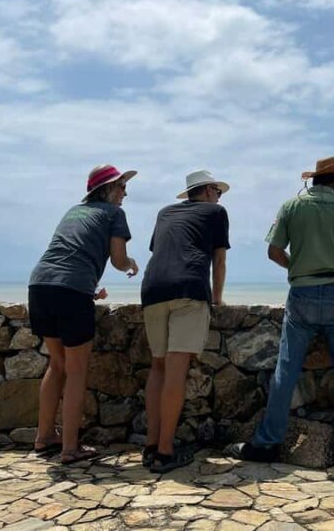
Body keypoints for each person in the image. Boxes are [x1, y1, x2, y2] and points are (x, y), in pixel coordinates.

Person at [227, 156, 334, 466]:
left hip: (301, 294)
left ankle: (267, 443)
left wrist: (295, 265)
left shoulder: (290, 207)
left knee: (286, 371)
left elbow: (273, 252)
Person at [29, 164, 139, 464]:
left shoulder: (73, 211)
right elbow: (117, 260)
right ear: (106, 189)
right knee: (76, 369)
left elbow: (68, 254)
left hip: (40, 286)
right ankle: (70, 448)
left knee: (58, 364)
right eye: (121, 186)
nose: (125, 191)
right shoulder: (114, 214)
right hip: (70, 291)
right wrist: (132, 263)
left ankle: (43, 436)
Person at [141, 170, 230, 473]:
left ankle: (151, 444)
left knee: (158, 366)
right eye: (218, 191)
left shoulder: (165, 212)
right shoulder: (216, 212)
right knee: (176, 371)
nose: (220, 197)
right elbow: (219, 260)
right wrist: (217, 298)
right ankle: (165, 453)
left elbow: (161, 250)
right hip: (188, 288)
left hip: (152, 288)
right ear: (207, 191)